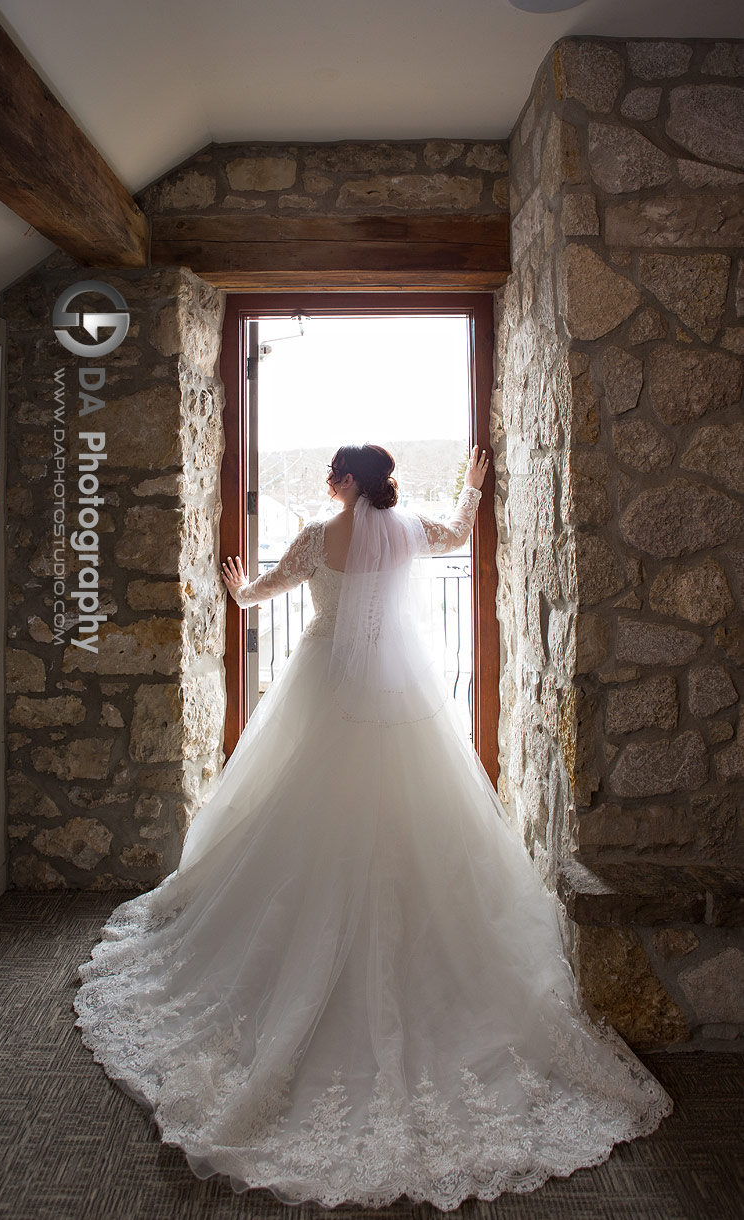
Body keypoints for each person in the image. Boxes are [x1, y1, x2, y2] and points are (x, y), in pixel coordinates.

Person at [73, 442, 673, 1211]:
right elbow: (456, 537)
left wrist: (236, 589)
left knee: (296, 816)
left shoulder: (317, 539)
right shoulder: (408, 527)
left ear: (344, 481)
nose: (327, 485)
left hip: (323, 690)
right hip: (396, 692)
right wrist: (469, 490)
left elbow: (260, 595)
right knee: (412, 822)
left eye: (331, 475)